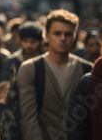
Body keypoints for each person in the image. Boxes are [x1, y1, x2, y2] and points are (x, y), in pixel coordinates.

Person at [17, 9, 92, 140]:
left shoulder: (87, 69)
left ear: (75, 36)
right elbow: (28, 118)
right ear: (46, 36)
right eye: (57, 33)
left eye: (68, 34)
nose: (63, 39)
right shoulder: (30, 69)